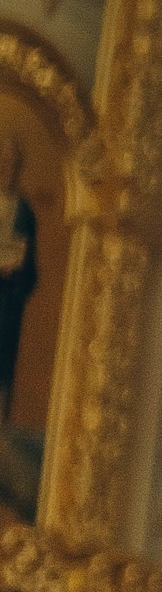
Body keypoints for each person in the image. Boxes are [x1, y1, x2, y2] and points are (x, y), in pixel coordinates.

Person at [0, 129, 38, 423]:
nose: (5, 167)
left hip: (6, 302)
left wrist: (16, 274)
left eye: (10, 162)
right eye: (2, 160)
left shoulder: (24, 212)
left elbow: (31, 270)